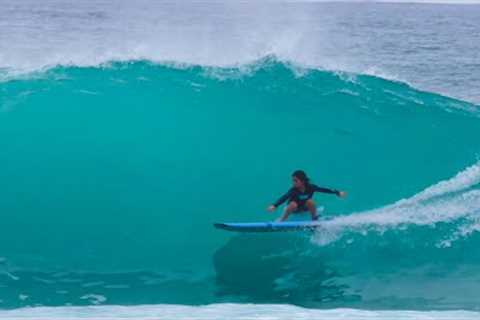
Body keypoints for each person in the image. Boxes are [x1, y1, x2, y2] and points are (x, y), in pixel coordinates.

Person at [267, 170, 346, 221]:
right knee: (293, 204)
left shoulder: (310, 187)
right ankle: (282, 221)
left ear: (302, 181)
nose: (293, 183)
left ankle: (314, 219)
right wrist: (274, 205)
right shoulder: (293, 190)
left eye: (295, 181)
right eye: (293, 181)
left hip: (305, 208)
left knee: (310, 201)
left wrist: (337, 192)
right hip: (295, 209)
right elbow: (284, 197)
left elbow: (323, 189)